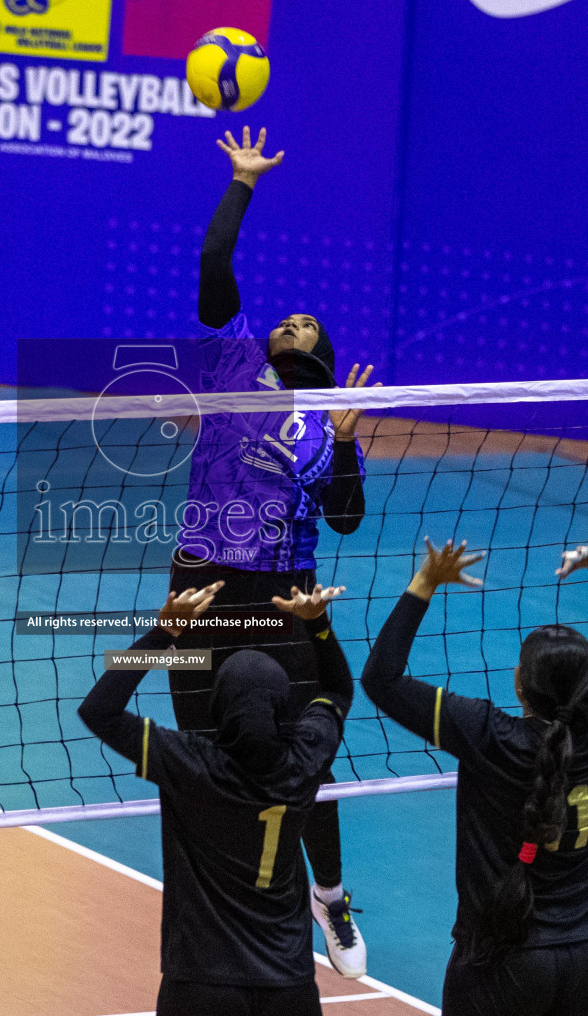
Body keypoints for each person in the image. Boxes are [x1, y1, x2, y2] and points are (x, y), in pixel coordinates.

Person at [164, 126, 378, 978]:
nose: (286, 322)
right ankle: (218, 900)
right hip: (202, 586)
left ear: (318, 357)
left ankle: (329, 897)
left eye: (303, 324)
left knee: (304, 760)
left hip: (286, 597)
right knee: (200, 756)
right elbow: (216, 265)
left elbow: (349, 521)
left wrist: (349, 445)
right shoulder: (232, 365)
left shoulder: (330, 426)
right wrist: (241, 184)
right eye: (283, 319)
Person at [361, 531, 588, 1016]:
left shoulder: (488, 735)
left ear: (519, 682)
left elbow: (381, 678)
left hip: (502, 961)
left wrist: (425, 581)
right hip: (586, 955)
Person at [79, 581, 354, 1016]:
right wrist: (318, 625)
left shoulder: (187, 763)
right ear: (284, 709)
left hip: (202, 983)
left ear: (217, 707)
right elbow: (338, 691)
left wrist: (163, 633)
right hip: (289, 986)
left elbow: (98, 710)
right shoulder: (305, 758)